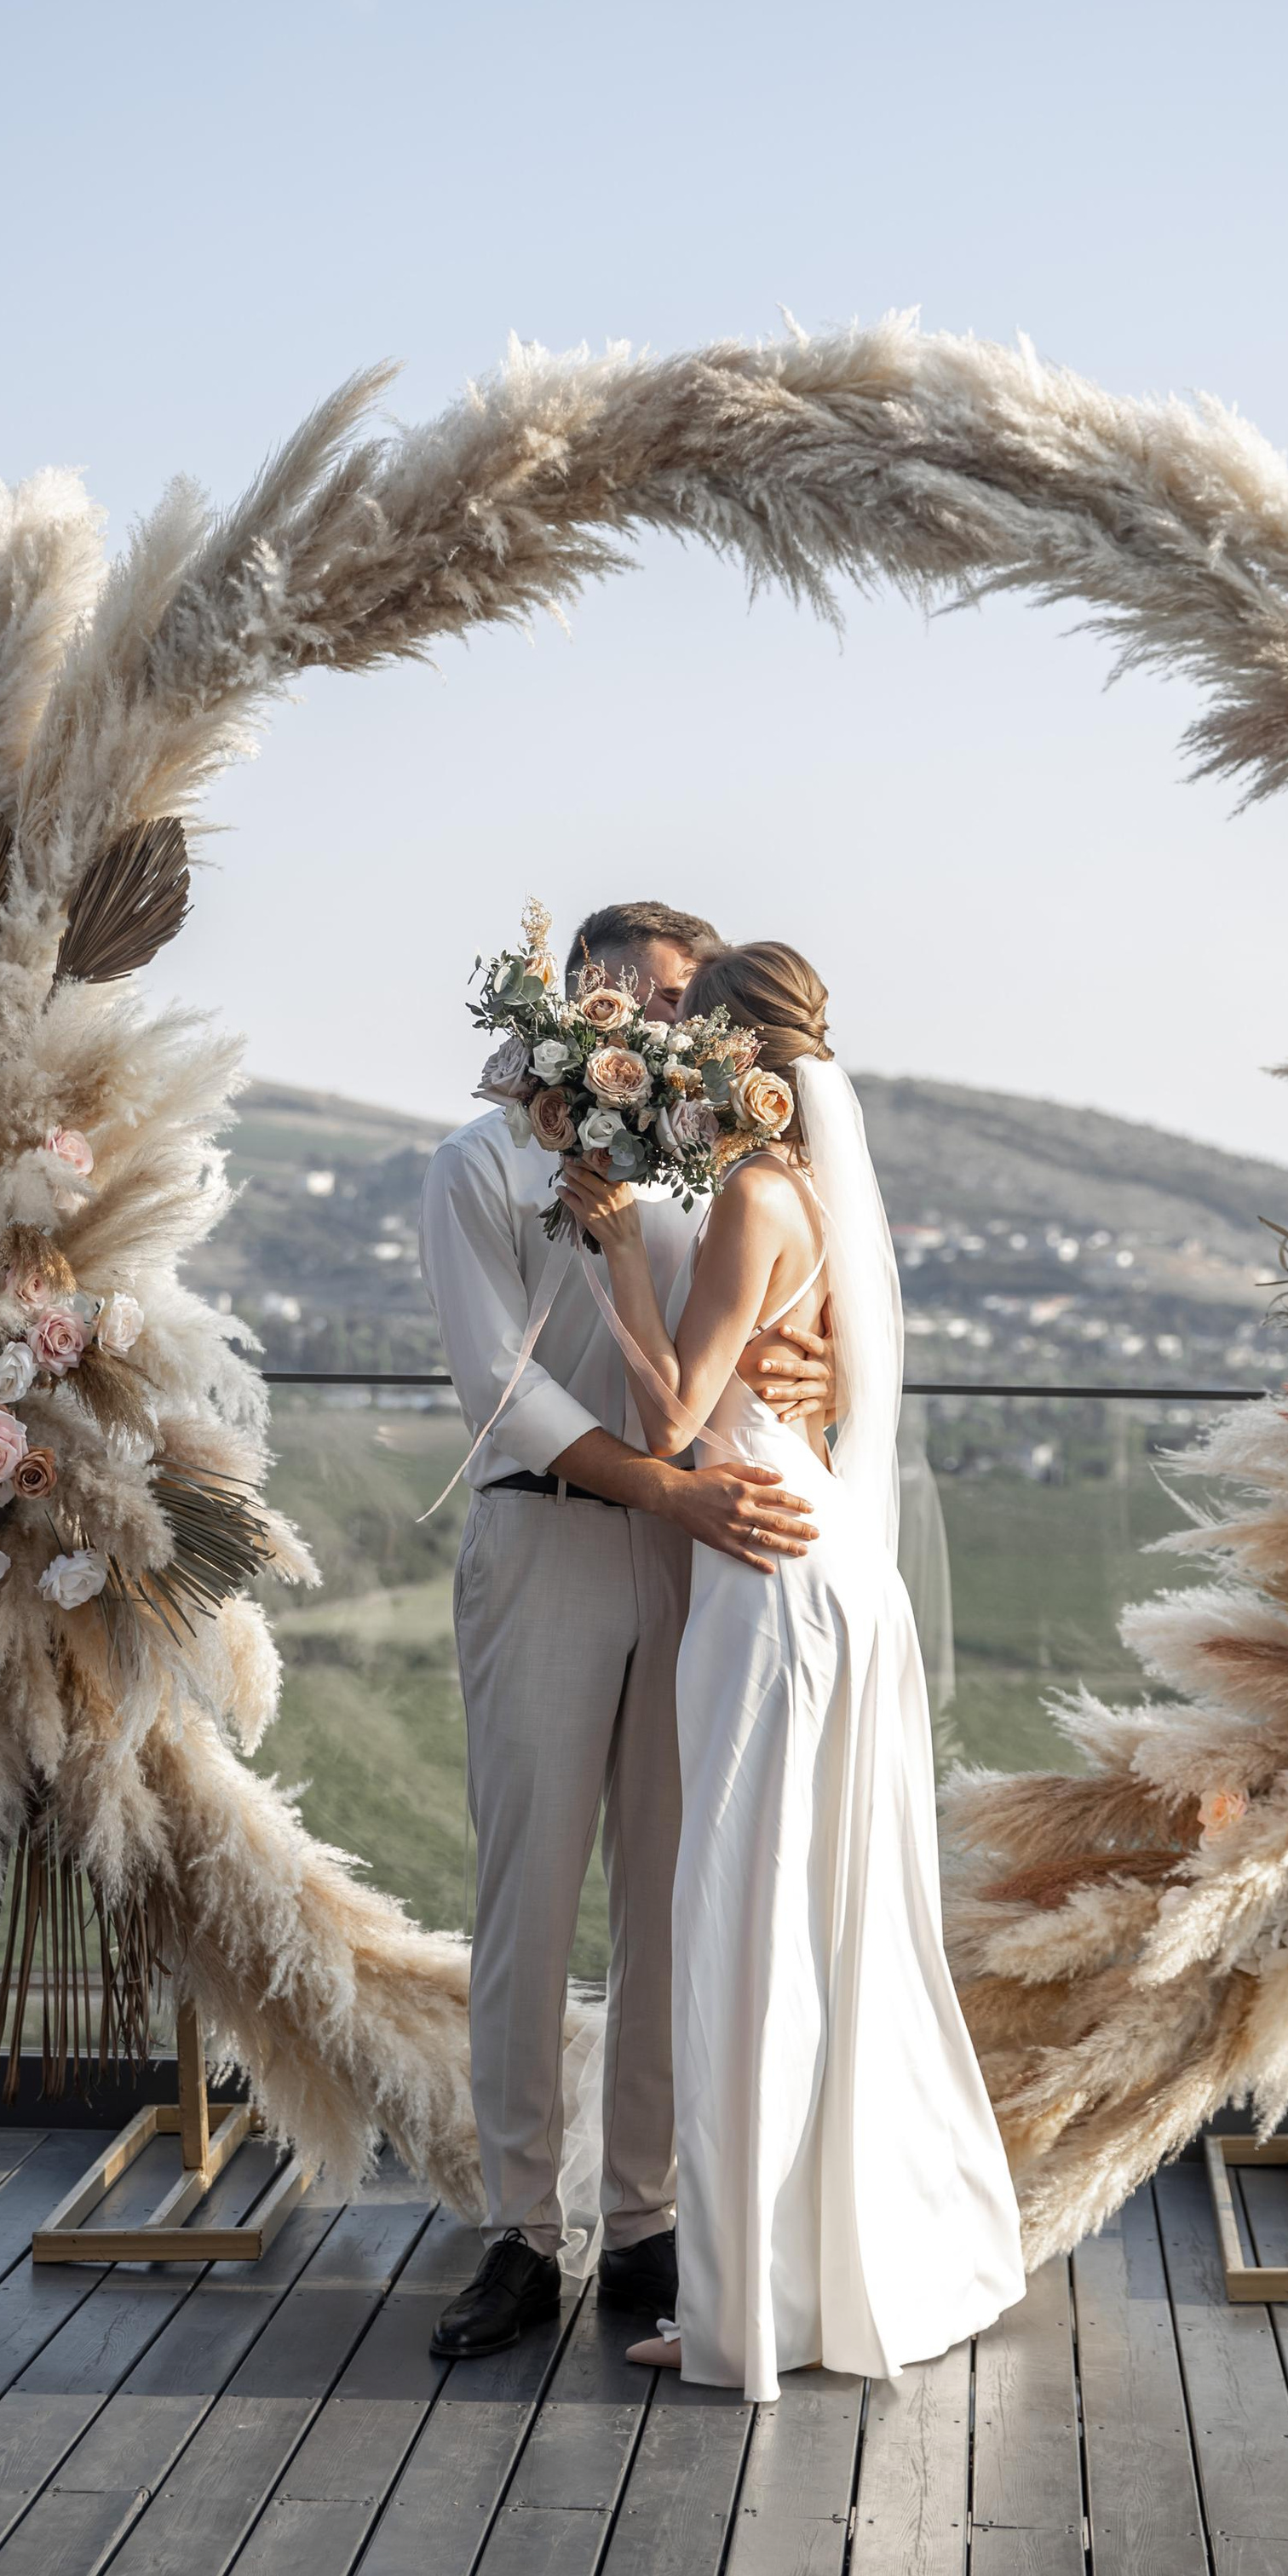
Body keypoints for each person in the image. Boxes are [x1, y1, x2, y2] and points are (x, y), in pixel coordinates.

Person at [558, 940, 1026, 2401]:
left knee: (748, 1929)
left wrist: (623, 1251)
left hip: (766, 1584)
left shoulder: (758, 1194)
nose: (677, 1059)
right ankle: (810, 2270)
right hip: (822, 1566)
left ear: (740, 1054)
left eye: (692, 1037)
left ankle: (748, 2303)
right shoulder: (807, 1194)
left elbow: (676, 1416)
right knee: (821, 1925)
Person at [417, 900, 837, 2361]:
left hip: (703, 1564)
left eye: (694, 1005)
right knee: (529, 1897)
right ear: (583, 993)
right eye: (655, 997)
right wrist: (674, 1489)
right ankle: (522, 2232)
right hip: (548, 1544)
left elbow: (761, 1333)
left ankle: (651, 2223)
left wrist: (783, 1393)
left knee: (670, 1896)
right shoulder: (477, 1164)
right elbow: (500, 1391)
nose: (677, 1026)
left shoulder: (717, 1168)